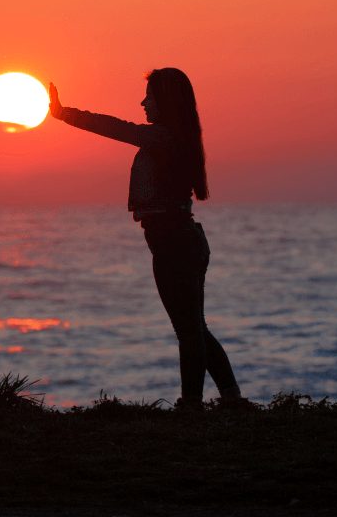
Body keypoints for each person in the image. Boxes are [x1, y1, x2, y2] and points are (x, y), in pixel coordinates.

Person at [49, 68, 243, 409]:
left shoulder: (163, 138)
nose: (143, 102)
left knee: (189, 331)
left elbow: (113, 128)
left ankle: (193, 404)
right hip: (181, 240)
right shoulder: (174, 138)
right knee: (194, 328)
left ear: (165, 101)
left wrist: (65, 114)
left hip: (175, 243)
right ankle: (230, 397)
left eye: (149, 96)